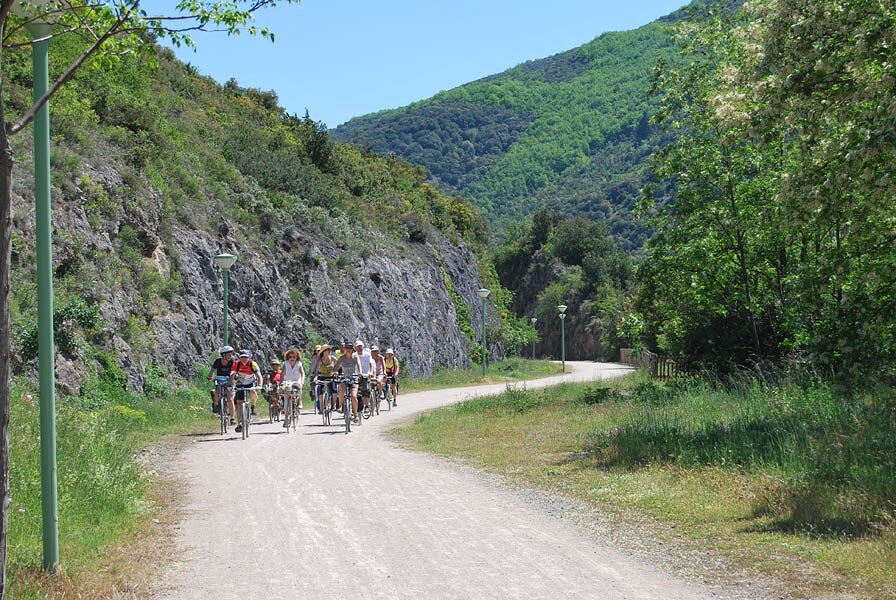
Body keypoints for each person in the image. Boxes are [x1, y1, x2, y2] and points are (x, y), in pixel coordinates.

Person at [231, 350, 262, 432]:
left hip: (251, 382)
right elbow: (232, 374)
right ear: (239, 358)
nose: (244, 359)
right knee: (239, 403)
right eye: (242, 357)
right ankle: (240, 423)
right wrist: (230, 384)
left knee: (253, 393)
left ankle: (253, 406)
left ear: (249, 358)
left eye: (246, 357)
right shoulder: (236, 364)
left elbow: (259, 376)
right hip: (240, 383)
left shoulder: (253, 364)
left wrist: (260, 385)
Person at [207, 345, 236, 425]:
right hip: (219, 378)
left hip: (229, 378)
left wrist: (234, 377)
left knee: (230, 398)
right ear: (223, 355)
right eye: (229, 354)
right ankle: (216, 404)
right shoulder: (218, 361)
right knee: (217, 390)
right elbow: (212, 370)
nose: (231, 356)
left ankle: (232, 418)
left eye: (231, 354)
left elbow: (235, 370)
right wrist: (209, 376)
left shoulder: (233, 361)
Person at [335, 341, 362, 423]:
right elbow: (336, 366)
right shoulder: (341, 357)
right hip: (344, 377)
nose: (348, 349)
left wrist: (360, 372)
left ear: (352, 349)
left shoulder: (355, 357)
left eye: (350, 348)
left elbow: (359, 365)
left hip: (353, 378)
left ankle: (355, 414)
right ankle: (340, 405)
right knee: (340, 389)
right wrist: (335, 371)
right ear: (344, 349)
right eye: (347, 348)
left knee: (353, 396)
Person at [280, 347, 305, 427]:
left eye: (294, 357)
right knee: (286, 398)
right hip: (287, 381)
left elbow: (302, 373)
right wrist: (281, 382)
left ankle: (299, 402)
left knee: (299, 389)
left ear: (297, 357)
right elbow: (282, 374)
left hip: (296, 381)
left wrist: (302, 381)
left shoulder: (299, 364)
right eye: (290, 357)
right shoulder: (285, 363)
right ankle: (286, 419)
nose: (292, 358)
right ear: (288, 357)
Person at [355, 339, 373, 414]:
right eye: (358, 347)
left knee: (366, 390)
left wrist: (371, 372)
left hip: (365, 374)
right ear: (355, 348)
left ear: (363, 347)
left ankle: (366, 406)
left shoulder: (367, 355)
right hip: (356, 375)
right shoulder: (354, 355)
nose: (359, 348)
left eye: (360, 346)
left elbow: (371, 364)